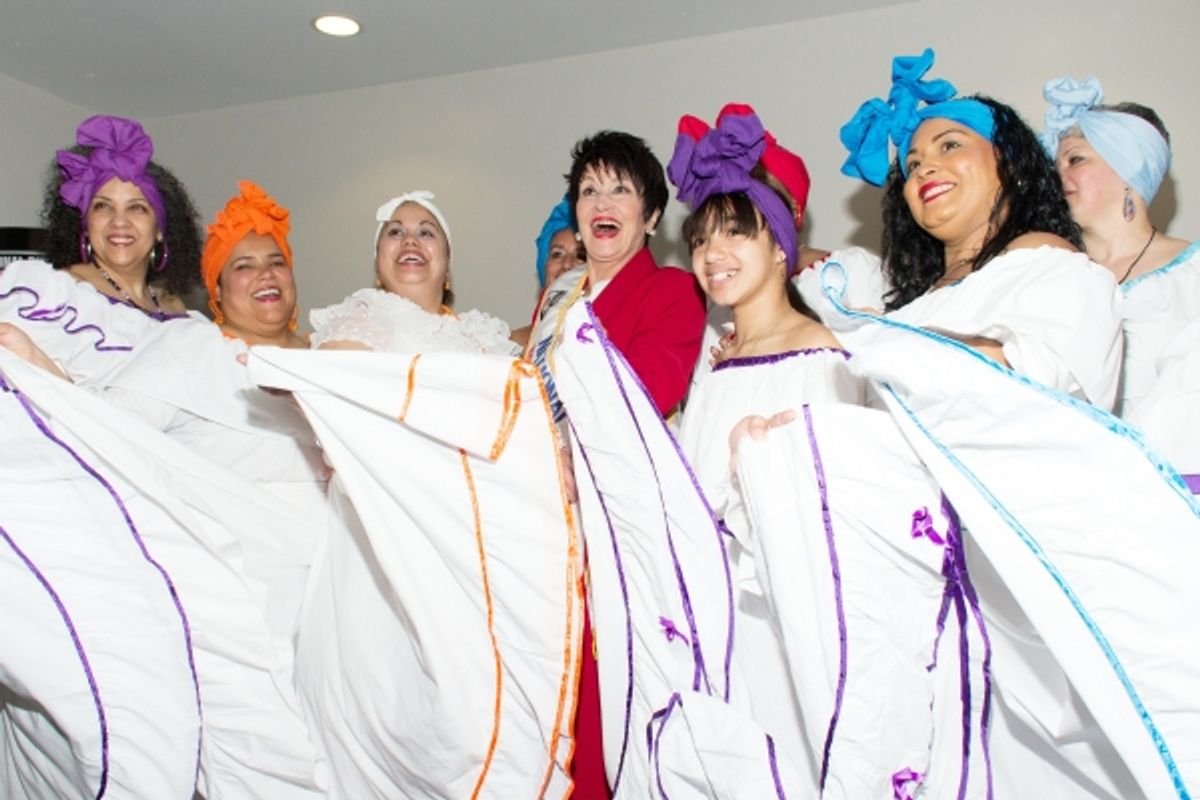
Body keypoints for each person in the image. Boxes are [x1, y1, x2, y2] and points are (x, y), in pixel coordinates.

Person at [1042, 77, 1200, 471]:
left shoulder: (1193, 275)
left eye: (1075, 159)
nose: (1059, 175)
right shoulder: (1048, 278)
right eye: (1056, 164)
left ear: (1128, 168)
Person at [527, 130, 707, 420]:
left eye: (620, 190)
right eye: (589, 191)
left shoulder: (674, 290)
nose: (601, 204)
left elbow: (643, 401)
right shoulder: (558, 292)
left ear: (651, 216)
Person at [311, 190, 519, 355]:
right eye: (395, 232)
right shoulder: (352, 332)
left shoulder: (483, 338)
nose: (410, 240)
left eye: (426, 233)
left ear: (447, 265)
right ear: (377, 265)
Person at [44, 114, 202, 319]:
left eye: (137, 208)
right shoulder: (62, 290)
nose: (119, 221)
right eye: (103, 206)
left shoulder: (173, 305)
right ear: (85, 224)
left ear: (160, 230)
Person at [201, 180, 308, 348]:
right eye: (245, 266)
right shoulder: (203, 353)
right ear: (217, 290)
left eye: (276, 263)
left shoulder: (329, 346)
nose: (267, 273)